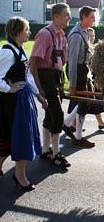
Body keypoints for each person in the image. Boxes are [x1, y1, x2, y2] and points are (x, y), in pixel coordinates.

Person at [0, 17, 47, 191]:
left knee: (13, 137)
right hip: (11, 103)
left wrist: (38, 95)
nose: (29, 32)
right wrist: (8, 88)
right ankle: (20, 176)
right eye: (27, 30)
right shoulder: (7, 52)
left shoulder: (19, 50)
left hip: (22, 100)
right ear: (18, 32)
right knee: (21, 137)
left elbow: (26, 77)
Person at [30, 3, 71, 170]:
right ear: (55, 16)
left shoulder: (61, 35)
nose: (69, 17)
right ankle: (56, 154)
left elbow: (63, 59)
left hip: (56, 77)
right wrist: (39, 88)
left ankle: (45, 150)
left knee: (50, 115)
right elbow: (33, 63)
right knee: (58, 115)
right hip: (46, 77)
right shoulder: (45, 34)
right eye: (66, 15)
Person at [63, 6, 104, 148]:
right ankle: (76, 135)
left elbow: (88, 51)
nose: (94, 20)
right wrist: (72, 84)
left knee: (86, 100)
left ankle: (69, 126)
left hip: (83, 70)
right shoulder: (76, 35)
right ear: (83, 17)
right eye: (91, 17)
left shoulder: (84, 32)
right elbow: (71, 61)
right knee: (83, 101)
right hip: (77, 70)